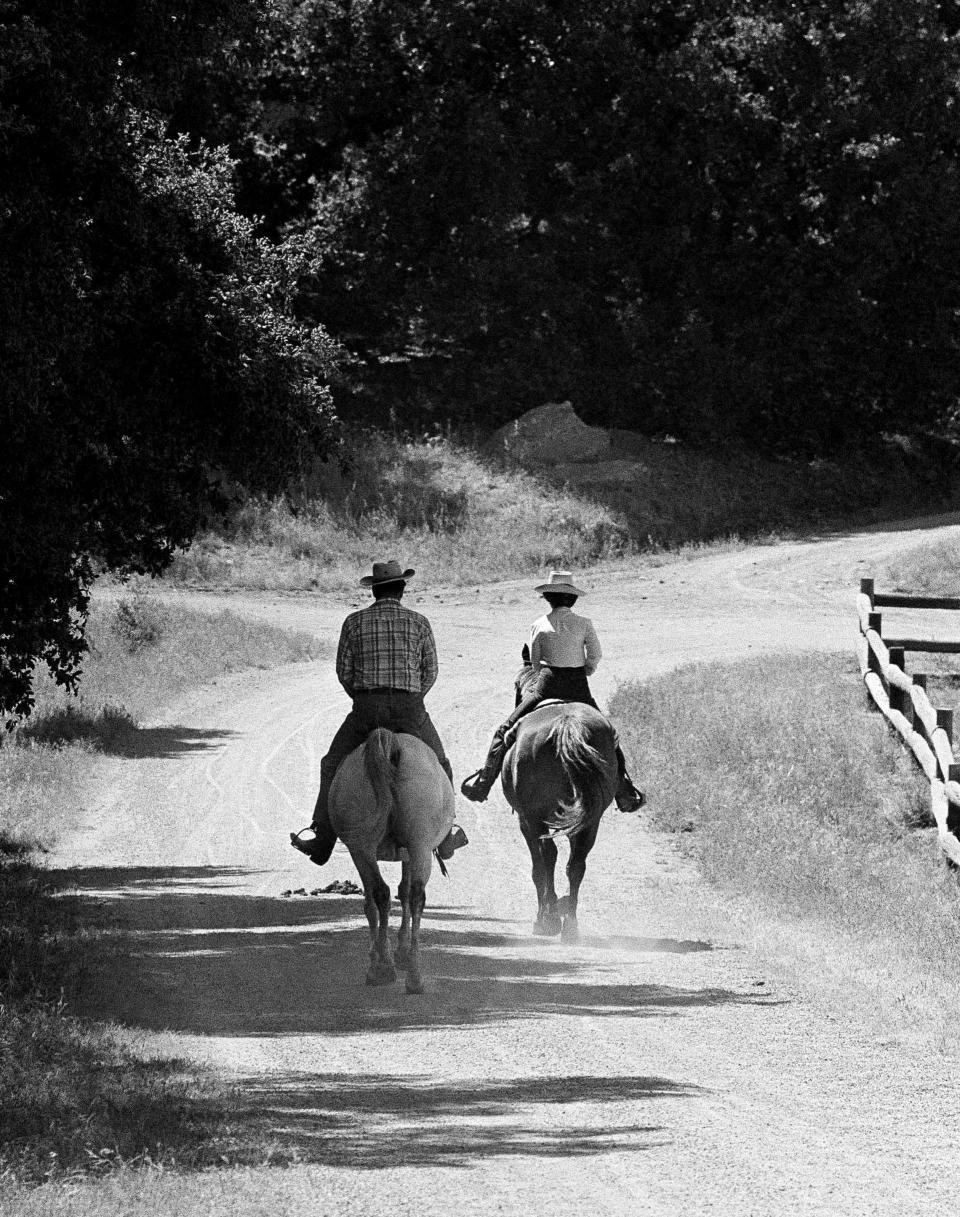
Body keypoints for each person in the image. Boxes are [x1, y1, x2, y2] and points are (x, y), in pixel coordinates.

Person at [293, 559, 466, 865]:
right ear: (401, 589)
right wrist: (413, 698)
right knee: (440, 762)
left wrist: (364, 699)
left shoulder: (353, 622)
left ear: (374, 591)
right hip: (409, 708)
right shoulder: (420, 622)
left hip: (367, 709)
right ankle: (446, 833)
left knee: (332, 764)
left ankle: (322, 838)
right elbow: (431, 672)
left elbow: (344, 672)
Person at [460, 570, 645, 812]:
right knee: (610, 735)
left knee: (503, 731)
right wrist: (586, 669)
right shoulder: (584, 623)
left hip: (545, 687)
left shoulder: (538, 624)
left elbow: (535, 663)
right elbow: (596, 654)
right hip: (579, 687)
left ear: (548, 598)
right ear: (573, 599)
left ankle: (483, 784)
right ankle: (623, 789)